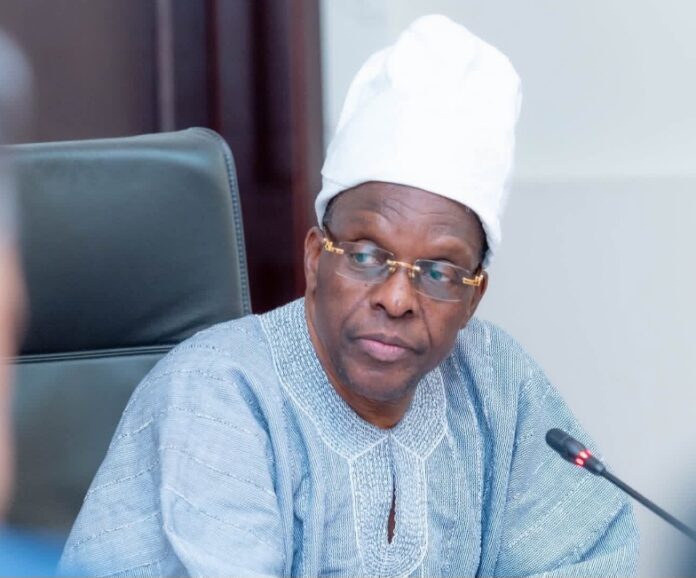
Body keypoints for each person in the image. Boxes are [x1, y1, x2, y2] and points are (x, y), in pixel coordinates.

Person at [60, 15, 639, 576]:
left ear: (473, 299)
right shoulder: (220, 390)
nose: (397, 298)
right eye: (366, 256)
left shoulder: (497, 381)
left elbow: (594, 559)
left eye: (438, 272)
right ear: (316, 258)